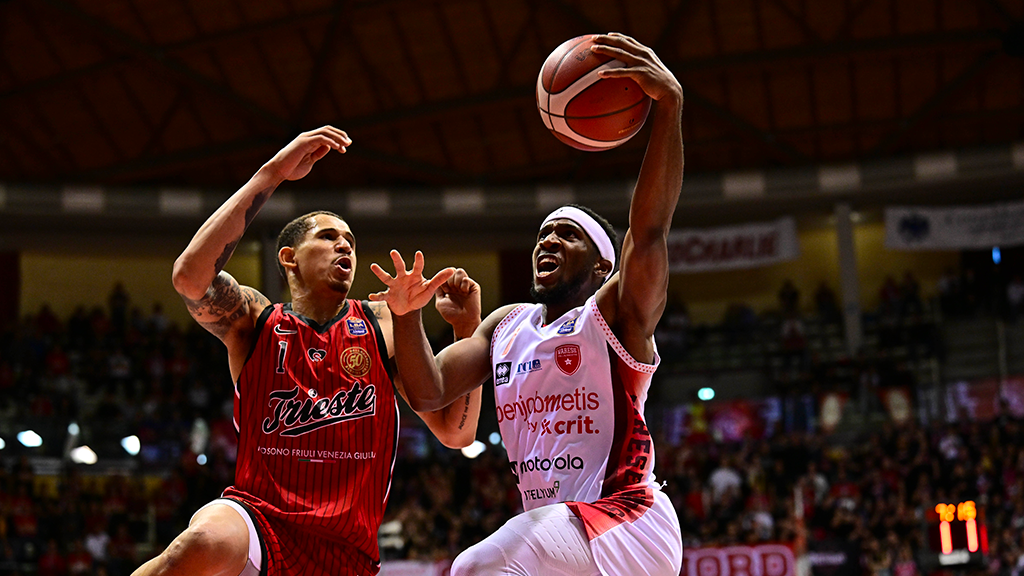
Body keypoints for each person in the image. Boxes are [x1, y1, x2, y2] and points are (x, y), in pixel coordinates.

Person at [372, 33, 683, 576]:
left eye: (567, 234)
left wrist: (670, 109)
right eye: (543, 234)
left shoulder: (613, 318)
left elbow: (650, 230)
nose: (548, 241)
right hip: (562, 535)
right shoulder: (506, 324)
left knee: (475, 566)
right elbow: (430, 391)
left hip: (628, 520)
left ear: (602, 267)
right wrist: (407, 314)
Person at [132, 126, 483, 576]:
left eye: (350, 241)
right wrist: (272, 173)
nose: (345, 245)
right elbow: (189, 277)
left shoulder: (383, 324)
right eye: (328, 236)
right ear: (288, 257)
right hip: (260, 522)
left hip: (346, 549)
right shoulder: (255, 320)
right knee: (205, 540)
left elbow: (456, 432)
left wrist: (466, 326)